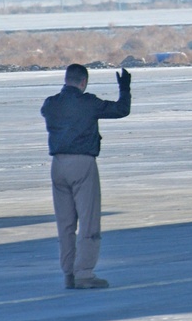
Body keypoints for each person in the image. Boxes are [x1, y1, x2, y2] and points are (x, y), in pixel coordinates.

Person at [41, 64, 131, 290]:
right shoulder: (88, 103)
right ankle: (84, 273)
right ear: (83, 82)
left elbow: (47, 112)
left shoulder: (51, 104)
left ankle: (68, 273)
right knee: (88, 221)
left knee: (65, 224)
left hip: (57, 165)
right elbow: (121, 110)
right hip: (82, 163)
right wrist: (125, 89)